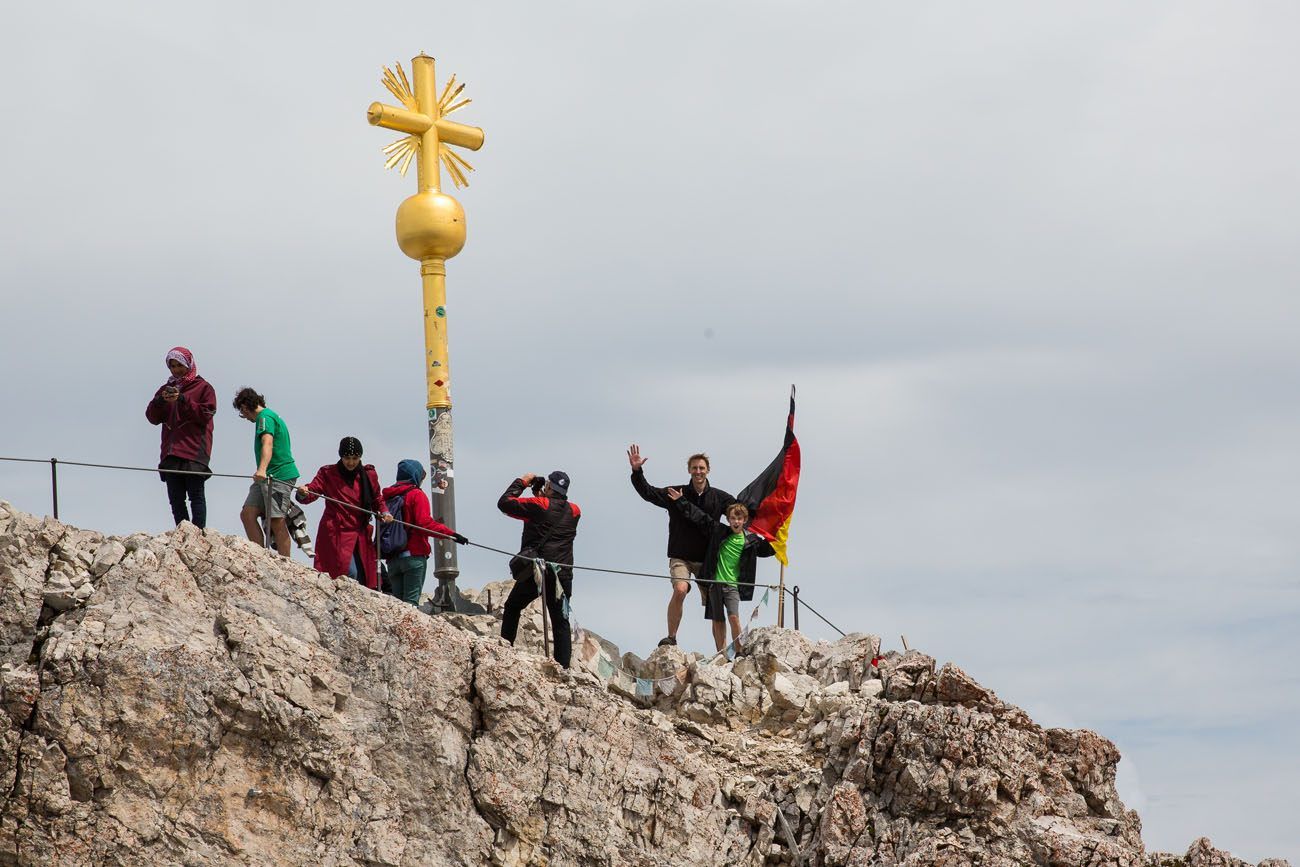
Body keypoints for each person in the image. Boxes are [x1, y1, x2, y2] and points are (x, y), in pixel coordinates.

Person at [627, 445, 735, 647]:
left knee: (716, 605)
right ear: (689, 471)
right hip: (681, 556)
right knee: (680, 589)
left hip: (708, 560)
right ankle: (671, 637)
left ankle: (722, 653)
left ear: (708, 470)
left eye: (701, 468)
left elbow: (740, 511)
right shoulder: (676, 492)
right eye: (694, 468)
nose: (698, 471)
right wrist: (637, 471)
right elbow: (648, 493)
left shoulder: (720, 498)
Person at [667, 494, 773, 656]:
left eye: (739, 519)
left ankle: (739, 651)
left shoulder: (751, 540)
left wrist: (779, 538)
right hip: (714, 583)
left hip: (732, 585)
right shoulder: (719, 532)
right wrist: (682, 501)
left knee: (733, 617)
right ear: (728, 519)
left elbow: (766, 549)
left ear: (745, 520)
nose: (736, 522)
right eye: (732, 518)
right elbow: (700, 517)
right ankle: (721, 653)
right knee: (718, 620)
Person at [497, 471, 581, 668]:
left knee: (513, 607)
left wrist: (523, 482)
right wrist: (540, 492)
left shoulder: (540, 506)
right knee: (561, 621)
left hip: (538, 571)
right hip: (563, 573)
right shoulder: (575, 510)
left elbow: (505, 503)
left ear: (550, 487)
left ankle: (504, 650)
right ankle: (563, 669)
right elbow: (547, 512)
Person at [294, 437, 391, 589]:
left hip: (360, 532)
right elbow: (312, 491)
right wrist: (303, 492)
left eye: (355, 458)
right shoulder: (328, 473)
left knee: (363, 576)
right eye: (347, 458)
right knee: (347, 572)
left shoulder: (369, 475)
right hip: (336, 531)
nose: (351, 462)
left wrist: (384, 512)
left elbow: (377, 498)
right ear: (341, 456)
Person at [145, 347, 217, 528]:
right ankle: (182, 532)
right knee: (176, 500)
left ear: (189, 364)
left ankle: (198, 534)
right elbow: (152, 417)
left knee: (196, 496)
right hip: (171, 452)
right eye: (172, 366)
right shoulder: (165, 389)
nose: (176, 370)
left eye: (180, 365)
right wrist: (161, 401)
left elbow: (206, 413)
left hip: (193, 450)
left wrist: (183, 399)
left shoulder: (203, 387)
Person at [379, 459, 468, 605]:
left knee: (396, 605)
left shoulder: (386, 498)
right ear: (414, 475)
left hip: (392, 559)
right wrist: (451, 534)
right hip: (413, 557)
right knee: (410, 605)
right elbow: (424, 523)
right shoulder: (416, 495)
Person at [233, 387, 300, 556]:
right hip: (266, 477)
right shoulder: (269, 416)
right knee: (247, 513)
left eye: (242, 413)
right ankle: (260, 556)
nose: (245, 417)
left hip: (278, 475)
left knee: (277, 520)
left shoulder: (264, 418)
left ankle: (285, 564)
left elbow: (267, 442)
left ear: (245, 408)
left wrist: (261, 469)